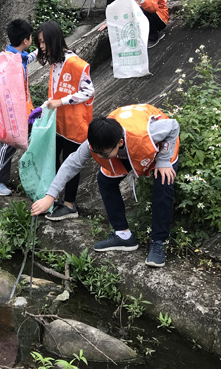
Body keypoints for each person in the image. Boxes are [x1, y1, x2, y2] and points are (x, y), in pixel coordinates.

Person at [31, 103, 180, 268]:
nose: (100, 156)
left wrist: (164, 159)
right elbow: (71, 164)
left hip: (161, 145)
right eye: (96, 152)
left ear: (120, 142)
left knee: (164, 182)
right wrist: (49, 197)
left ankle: (158, 242)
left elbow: (173, 126)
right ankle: (123, 235)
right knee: (104, 179)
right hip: (125, 144)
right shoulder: (96, 143)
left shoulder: (146, 133)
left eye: (104, 153)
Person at [34, 20, 95, 220]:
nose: (42, 47)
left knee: (71, 163)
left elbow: (89, 91)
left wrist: (61, 102)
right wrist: (43, 107)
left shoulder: (75, 63)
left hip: (75, 125)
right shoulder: (56, 63)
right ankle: (55, 198)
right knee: (56, 162)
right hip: (59, 124)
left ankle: (69, 205)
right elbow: (55, 94)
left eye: (44, 42)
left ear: (54, 39)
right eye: (40, 43)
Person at [0, 18, 36, 196]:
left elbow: (25, 59)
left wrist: (39, 53)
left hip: (19, 109)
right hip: (10, 110)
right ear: (26, 40)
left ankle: (0, 181)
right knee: (6, 145)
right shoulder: (10, 62)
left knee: (10, 145)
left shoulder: (14, 55)